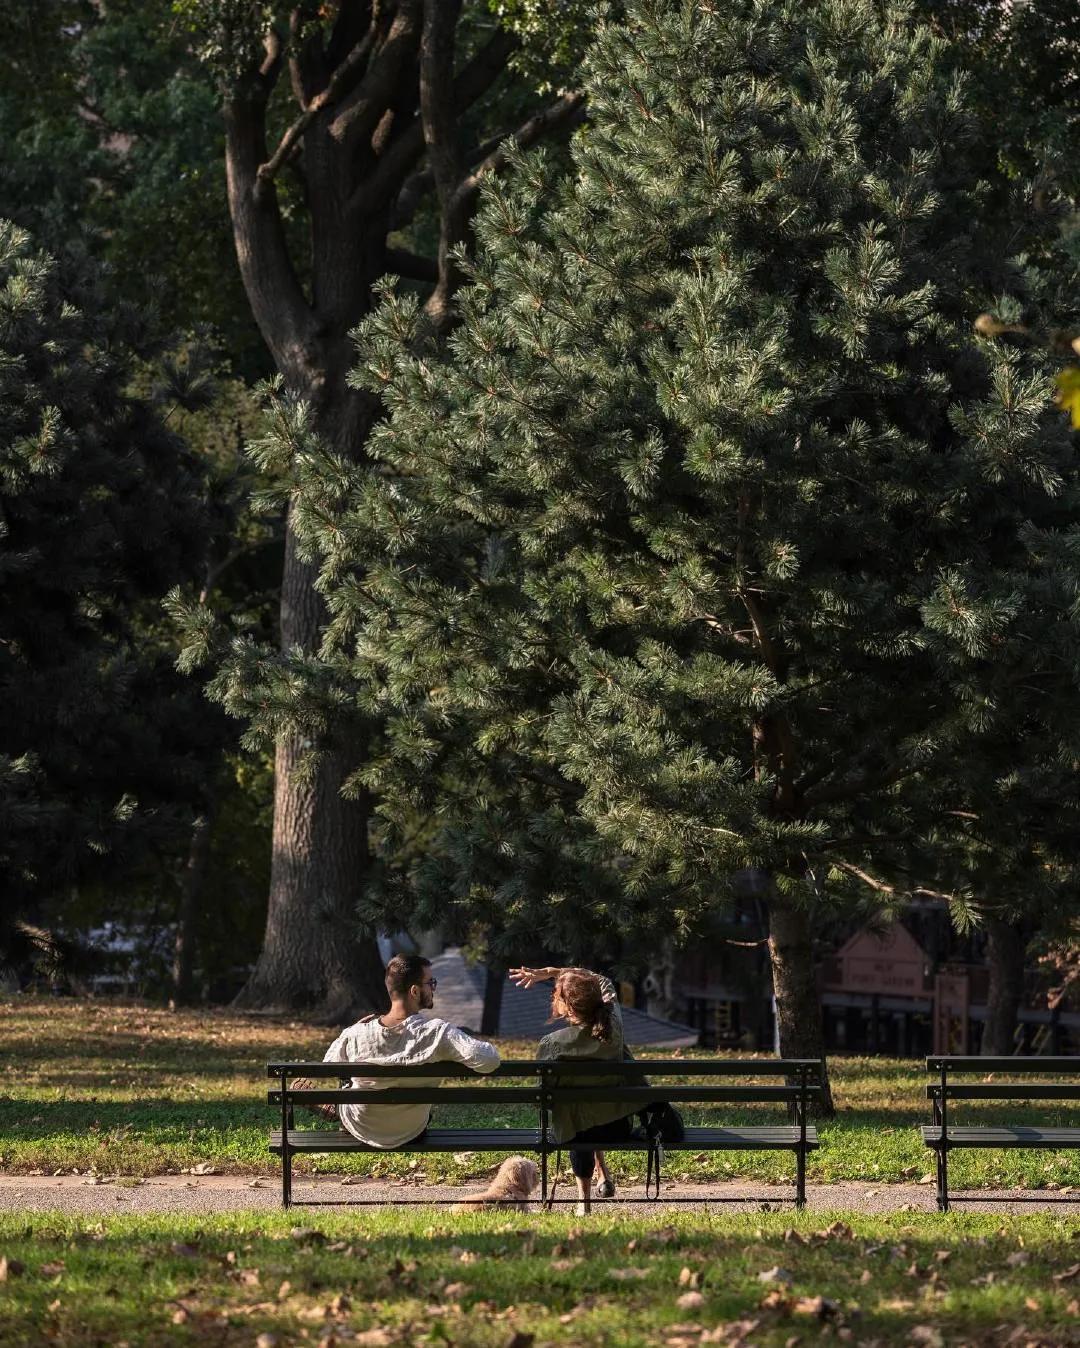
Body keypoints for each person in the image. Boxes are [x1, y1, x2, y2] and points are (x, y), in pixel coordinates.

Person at [322, 953, 500, 1148]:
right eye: (430, 983)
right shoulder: (439, 1033)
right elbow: (489, 1060)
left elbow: (328, 1066)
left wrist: (351, 1032)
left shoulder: (356, 1033)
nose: (433, 988)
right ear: (414, 991)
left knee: (346, 1080)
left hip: (361, 1125)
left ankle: (336, 1111)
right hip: (410, 1130)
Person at [510, 964, 633, 1214]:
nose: (554, 997)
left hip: (575, 1130)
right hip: (617, 1126)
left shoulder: (553, 1043)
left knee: (577, 1120)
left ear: (567, 1005)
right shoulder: (614, 1027)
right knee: (590, 1113)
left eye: (556, 994)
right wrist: (556, 971)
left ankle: (583, 1204)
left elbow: (542, 1097)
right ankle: (600, 1177)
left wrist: (554, 974)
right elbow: (604, 980)